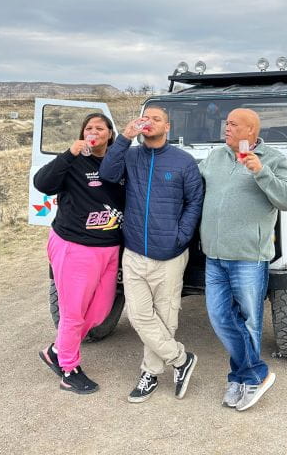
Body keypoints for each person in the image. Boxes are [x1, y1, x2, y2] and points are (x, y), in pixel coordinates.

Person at [99, 106, 204, 403]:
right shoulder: (131, 155)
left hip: (169, 255)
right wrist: (124, 138)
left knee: (166, 318)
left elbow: (194, 201)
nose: (151, 122)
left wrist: (180, 236)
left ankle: (150, 373)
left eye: (157, 119)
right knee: (139, 315)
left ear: (167, 126)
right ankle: (181, 359)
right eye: (147, 118)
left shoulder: (183, 161)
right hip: (133, 252)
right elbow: (107, 174)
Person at [199, 108, 287, 411]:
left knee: (250, 321)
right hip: (214, 256)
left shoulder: (273, 159)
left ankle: (242, 379)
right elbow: (192, 183)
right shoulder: (215, 157)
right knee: (219, 317)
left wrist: (260, 172)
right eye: (225, 123)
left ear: (251, 131)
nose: (225, 128)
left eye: (232, 124)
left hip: (248, 258)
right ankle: (253, 373)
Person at [33, 113, 124, 395]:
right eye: (88, 128)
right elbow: (42, 184)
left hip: (109, 246)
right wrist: (69, 153)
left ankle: (57, 350)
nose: (94, 131)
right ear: (82, 134)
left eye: (100, 127)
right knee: (73, 313)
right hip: (75, 245)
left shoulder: (119, 163)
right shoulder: (73, 162)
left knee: (100, 310)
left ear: (110, 133)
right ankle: (68, 369)